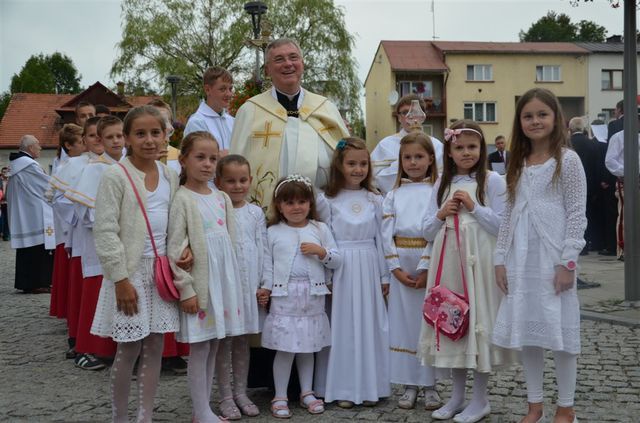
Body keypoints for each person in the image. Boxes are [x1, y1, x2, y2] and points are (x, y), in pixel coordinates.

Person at [493, 88, 586, 423]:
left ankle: (566, 406)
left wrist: (568, 261)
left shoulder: (567, 160)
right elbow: (508, 213)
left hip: (553, 259)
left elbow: (576, 214)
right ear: (520, 122)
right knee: (528, 333)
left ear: (555, 118)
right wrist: (500, 258)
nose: (535, 121)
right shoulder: (515, 161)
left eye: (542, 114)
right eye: (528, 116)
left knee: (560, 335)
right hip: (521, 258)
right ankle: (534, 405)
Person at [417, 120, 516, 422]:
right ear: (448, 152)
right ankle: (457, 397)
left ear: (481, 149)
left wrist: (474, 207)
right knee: (452, 322)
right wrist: (440, 213)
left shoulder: (493, 181)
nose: (466, 153)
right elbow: (426, 231)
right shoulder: (441, 184)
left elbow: (503, 226)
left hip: (480, 263)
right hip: (448, 262)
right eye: (459, 148)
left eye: (472, 147)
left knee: (478, 322)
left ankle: (480, 398)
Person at [90, 105, 181, 423]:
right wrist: (120, 279)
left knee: (155, 345)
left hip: (158, 272)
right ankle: (119, 417)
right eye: (140, 133)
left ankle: (145, 416)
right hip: (129, 274)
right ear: (127, 137)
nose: (149, 140)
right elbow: (104, 230)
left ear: (166, 135)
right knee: (128, 349)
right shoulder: (116, 175)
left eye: (156, 132)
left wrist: (181, 253)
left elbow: (175, 224)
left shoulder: (171, 175)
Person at [168, 131, 245, 423]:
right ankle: (200, 411)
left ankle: (206, 408)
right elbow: (175, 249)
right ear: (184, 159)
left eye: (213, 158)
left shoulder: (222, 197)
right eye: (200, 157)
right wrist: (186, 289)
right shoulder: (182, 200)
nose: (207, 164)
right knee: (200, 346)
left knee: (214, 344)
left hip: (222, 283)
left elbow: (230, 243)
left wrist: (234, 284)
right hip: (202, 284)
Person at [230, 38, 349, 209]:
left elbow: (348, 156)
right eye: (279, 59)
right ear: (266, 70)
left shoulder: (325, 108)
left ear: (303, 64)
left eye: (293, 57)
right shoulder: (250, 111)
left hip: (321, 211)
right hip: (266, 214)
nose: (288, 64)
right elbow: (235, 166)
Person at [257, 174, 341, 418]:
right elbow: (267, 265)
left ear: (310, 204)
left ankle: (307, 392)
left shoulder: (320, 229)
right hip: (285, 297)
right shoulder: (273, 232)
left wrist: (321, 252)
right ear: (280, 206)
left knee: (308, 348)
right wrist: (266, 287)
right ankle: (280, 395)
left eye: (301, 202)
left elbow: (337, 259)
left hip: (312, 296)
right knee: (285, 349)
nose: (296, 207)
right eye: (290, 203)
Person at [318, 137, 391, 407]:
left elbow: (382, 240)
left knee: (370, 326)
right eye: (351, 164)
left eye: (363, 164)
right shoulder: (328, 199)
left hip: (370, 265)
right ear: (339, 165)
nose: (358, 169)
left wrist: (385, 276)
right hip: (342, 268)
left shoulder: (375, 199)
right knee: (344, 328)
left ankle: (372, 386)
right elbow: (325, 238)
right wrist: (327, 277)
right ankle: (343, 389)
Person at [381, 132, 441, 410]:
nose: (413, 162)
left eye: (419, 157)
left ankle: (430, 385)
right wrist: (394, 268)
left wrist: (427, 266)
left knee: (428, 324)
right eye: (408, 157)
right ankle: (409, 384)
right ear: (400, 161)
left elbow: (438, 231)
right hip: (402, 266)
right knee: (404, 325)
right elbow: (385, 234)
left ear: (431, 159)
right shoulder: (393, 195)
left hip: (430, 264)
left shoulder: (438, 191)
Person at [64, 115, 125, 370]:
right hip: (99, 242)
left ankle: (116, 347)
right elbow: (82, 210)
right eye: (109, 137)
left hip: (125, 242)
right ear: (99, 140)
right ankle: (87, 348)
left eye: (119, 136)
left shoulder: (128, 165)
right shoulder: (94, 168)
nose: (115, 141)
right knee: (96, 294)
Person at [214, 154, 267, 419]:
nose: (237, 186)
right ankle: (224, 396)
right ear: (219, 182)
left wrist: (265, 283)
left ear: (250, 180)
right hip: (226, 287)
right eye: (231, 181)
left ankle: (241, 391)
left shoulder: (255, 213)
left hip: (249, 287)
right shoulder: (216, 210)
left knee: (243, 341)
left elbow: (263, 248)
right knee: (224, 341)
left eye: (242, 180)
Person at [7, 135, 55, 293]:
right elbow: (45, 185)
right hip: (34, 215)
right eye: (38, 145)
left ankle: (27, 283)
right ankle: (37, 283)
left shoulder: (18, 164)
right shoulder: (28, 165)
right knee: (37, 249)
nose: (40, 148)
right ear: (30, 148)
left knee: (27, 250)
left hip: (26, 213)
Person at [371, 94, 444, 194]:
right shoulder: (385, 145)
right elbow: (375, 177)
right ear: (399, 118)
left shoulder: (436, 145)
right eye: (405, 112)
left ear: (423, 115)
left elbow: (444, 176)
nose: (411, 116)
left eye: (415, 112)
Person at [49, 124, 85, 320]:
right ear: (68, 146)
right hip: (75, 226)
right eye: (81, 142)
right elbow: (59, 199)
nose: (85, 145)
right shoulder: (64, 166)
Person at [184, 67, 235, 156]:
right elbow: (198, 158)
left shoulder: (233, 121)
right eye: (222, 89)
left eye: (230, 89)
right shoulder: (197, 122)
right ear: (207, 90)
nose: (229, 94)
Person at [568, 117, 599, 254]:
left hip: (570, 186)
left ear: (570, 129)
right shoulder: (592, 144)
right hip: (590, 185)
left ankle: (576, 246)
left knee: (572, 214)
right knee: (589, 215)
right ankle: (588, 243)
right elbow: (598, 166)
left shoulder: (566, 144)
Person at [0, 167, 9, 241]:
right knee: (1, 219)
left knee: (7, 219)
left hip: (8, 203)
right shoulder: (0, 180)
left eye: (6, 172)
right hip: (1, 202)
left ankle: (6, 235)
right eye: (3, 172)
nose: (5, 173)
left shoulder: (11, 181)